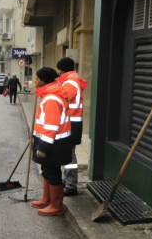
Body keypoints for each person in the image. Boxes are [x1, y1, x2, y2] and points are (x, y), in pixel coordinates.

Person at [31, 67, 73, 216]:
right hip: (51, 141)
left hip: (53, 143)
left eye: (37, 78)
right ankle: (46, 199)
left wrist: (43, 147)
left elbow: (51, 126)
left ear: (43, 80)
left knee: (53, 171)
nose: (35, 81)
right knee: (46, 170)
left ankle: (56, 205)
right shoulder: (49, 94)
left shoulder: (52, 98)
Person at [56, 57, 87, 196]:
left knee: (69, 155)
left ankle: (71, 185)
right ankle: (67, 181)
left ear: (63, 70)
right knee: (68, 154)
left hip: (70, 123)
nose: (57, 72)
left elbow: (60, 99)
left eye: (59, 69)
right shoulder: (73, 81)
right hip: (73, 122)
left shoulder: (70, 83)